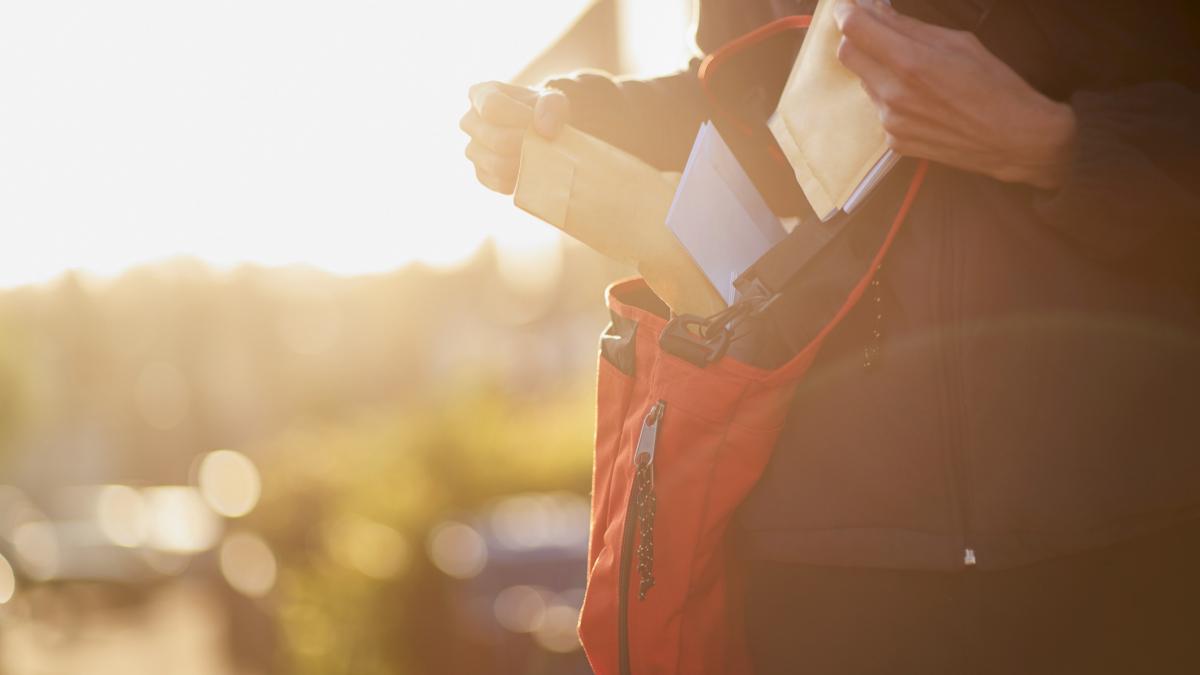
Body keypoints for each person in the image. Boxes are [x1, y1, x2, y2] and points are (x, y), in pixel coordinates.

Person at [462, 1, 1200, 672]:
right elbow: (757, 115)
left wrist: (1055, 144)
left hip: (1124, 530)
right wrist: (586, 120)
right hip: (822, 546)